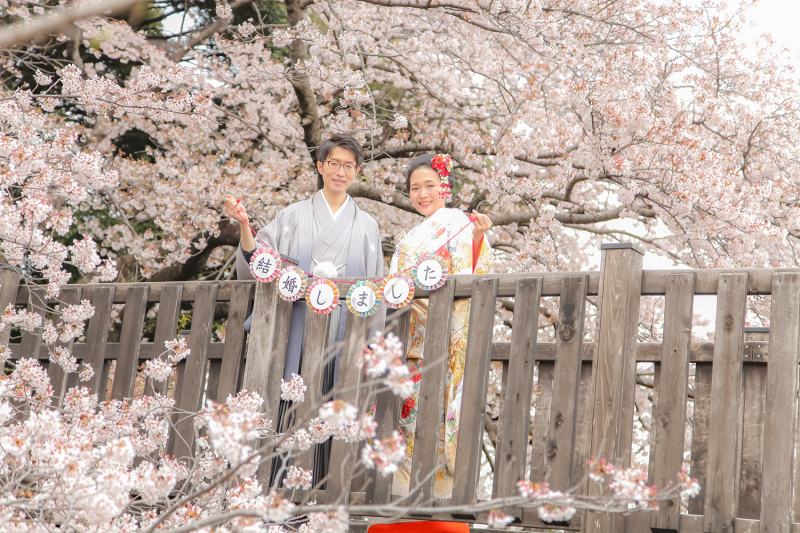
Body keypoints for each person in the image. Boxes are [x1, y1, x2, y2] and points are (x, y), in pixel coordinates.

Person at [224, 133, 385, 485]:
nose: (340, 172)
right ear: (320, 166)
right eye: (334, 164)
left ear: (356, 172)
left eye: (348, 166)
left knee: (332, 407)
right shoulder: (292, 215)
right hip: (295, 328)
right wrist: (245, 225)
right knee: (288, 407)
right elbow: (259, 260)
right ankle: (275, 485)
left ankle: (320, 490)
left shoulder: (367, 226)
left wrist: (372, 345)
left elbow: (376, 291)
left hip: (342, 332)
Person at [389, 153, 493, 500]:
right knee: (409, 419)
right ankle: (403, 499)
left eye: (429, 185)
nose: (422, 194)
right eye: (415, 188)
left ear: (444, 187)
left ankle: (440, 502)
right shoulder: (410, 235)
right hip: (412, 336)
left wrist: (477, 237)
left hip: (446, 334)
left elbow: (473, 271)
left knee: (440, 413)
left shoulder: (457, 223)